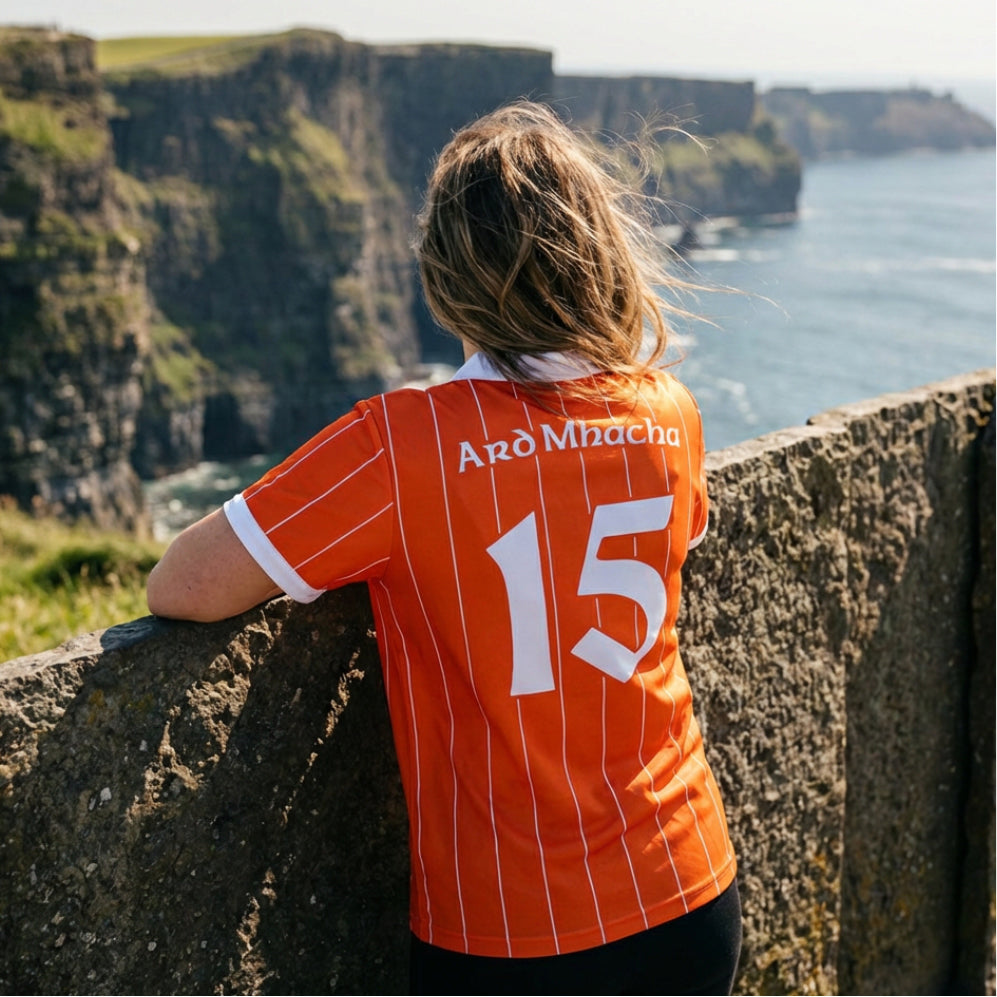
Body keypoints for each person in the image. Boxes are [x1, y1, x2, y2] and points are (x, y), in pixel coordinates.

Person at [147, 101, 741, 995]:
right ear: (598, 254)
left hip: (512, 931)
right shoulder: (666, 414)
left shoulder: (400, 445)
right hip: (689, 885)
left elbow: (182, 585)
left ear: (443, 274)